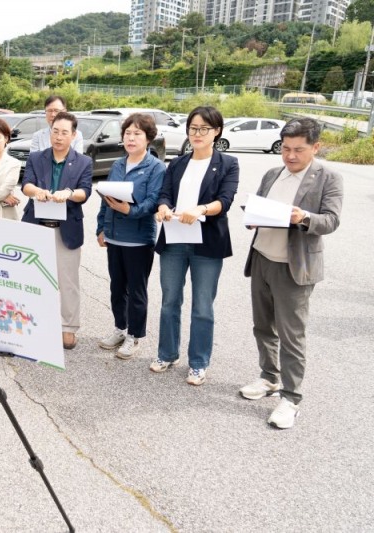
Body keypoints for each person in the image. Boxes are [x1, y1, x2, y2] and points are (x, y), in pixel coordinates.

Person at [240, 118, 343, 429]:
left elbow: (331, 220)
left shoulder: (328, 177)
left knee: (292, 336)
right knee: (263, 326)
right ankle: (269, 377)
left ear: (315, 147)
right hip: (262, 259)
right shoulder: (272, 173)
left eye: (299, 150)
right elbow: (256, 209)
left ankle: (291, 397)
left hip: (295, 267)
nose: (290, 156)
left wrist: (304, 217)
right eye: (285, 148)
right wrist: (252, 217)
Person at [150, 106, 239, 386]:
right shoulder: (177, 163)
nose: (197, 134)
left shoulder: (228, 163)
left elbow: (225, 201)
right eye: (193, 128)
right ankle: (167, 353)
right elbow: (164, 194)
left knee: (202, 306)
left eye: (204, 129)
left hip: (207, 244)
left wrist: (200, 209)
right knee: (169, 301)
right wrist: (163, 208)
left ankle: (198, 362)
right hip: (174, 240)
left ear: (217, 132)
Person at [95, 113, 165, 360]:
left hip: (138, 239)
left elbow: (153, 202)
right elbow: (106, 199)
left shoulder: (156, 167)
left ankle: (135, 335)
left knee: (137, 290)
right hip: (114, 236)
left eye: (137, 134)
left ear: (148, 139)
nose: (131, 138)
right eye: (127, 133)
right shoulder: (117, 164)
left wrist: (129, 210)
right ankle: (120, 328)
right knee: (117, 288)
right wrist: (101, 228)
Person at [21, 111, 93, 350]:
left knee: (68, 282)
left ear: (73, 135)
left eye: (64, 132)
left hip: (66, 230)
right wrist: (36, 192)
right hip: (36, 227)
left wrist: (70, 194)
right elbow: (26, 184)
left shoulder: (83, 162)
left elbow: (85, 192)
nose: (59, 136)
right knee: (33, 279)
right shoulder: (36, 157)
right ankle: (33, 323)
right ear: (49, 131)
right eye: (55, 131)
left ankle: (68, 328)